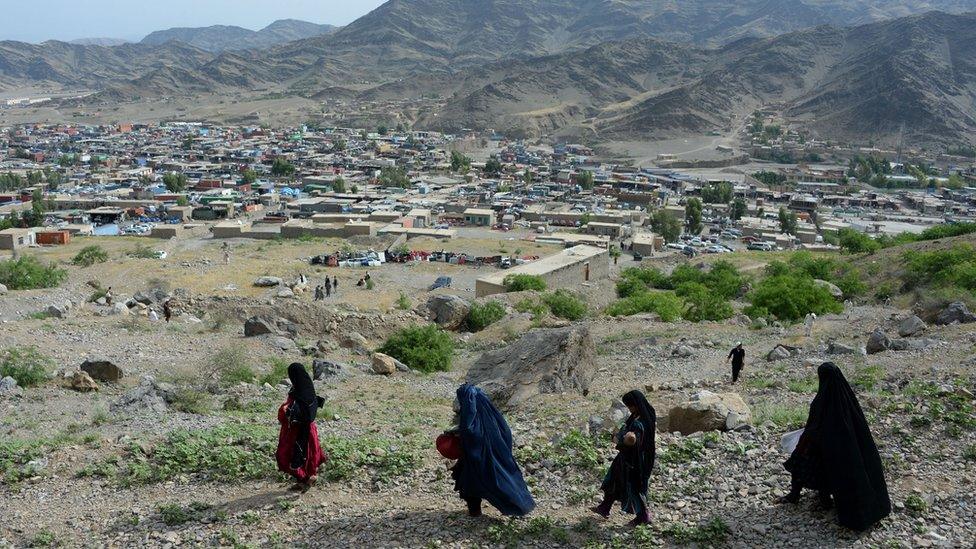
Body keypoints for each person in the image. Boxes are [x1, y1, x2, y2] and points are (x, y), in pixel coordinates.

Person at [780, 362, 891, 531]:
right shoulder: (847, 399)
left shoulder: (822, 400)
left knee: (800, 466)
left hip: (818, 444)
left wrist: (804, 442)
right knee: (829, 472)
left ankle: (796, 496)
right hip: (842, 449)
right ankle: (825, 500)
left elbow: (814, 426)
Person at [447, 384, 535, 518]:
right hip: (496, 457)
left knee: (471, 482)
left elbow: (470, 431)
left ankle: (478, 512)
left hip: (477, 458)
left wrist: (457, 435)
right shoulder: (492, 415)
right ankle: (519, 505)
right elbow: (504, 433)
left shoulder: (470, 417)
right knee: (502, 480)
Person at [591, 390, 656, 526]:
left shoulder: (640, 422)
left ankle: (643, 516)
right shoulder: (640, 414)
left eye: (630, 406)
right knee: (613, 479)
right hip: (626, 457)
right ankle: (605, 507)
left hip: (635, 461)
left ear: (636, 404)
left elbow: (633, 440)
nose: (629, 409)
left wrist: (624, 439)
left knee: (634, 487)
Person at [276, 363, 326, 491]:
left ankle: (305, 479)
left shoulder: (301, 392)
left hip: (298, 431)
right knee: (308, 454)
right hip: (307, 431)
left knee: (292, 455)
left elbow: (301, 414)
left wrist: (286, 410)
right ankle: (305, 479)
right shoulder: (305, 388)